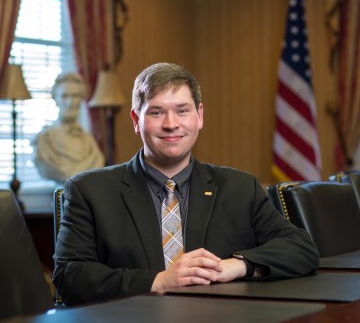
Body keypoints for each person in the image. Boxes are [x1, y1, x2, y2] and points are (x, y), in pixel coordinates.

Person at [53, 62, 319, 306]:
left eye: (182, 111)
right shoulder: (88, 191)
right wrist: (159, 281)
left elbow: (301, 249)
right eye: (156, 112)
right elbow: (70, 276)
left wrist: (236, 265)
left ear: (199, 116)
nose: (171, 124)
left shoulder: (241, 187)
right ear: (136, 120)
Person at [33, 73, 105, 184]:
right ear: (55, 99)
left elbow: (98, 163)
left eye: (75, 96)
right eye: (65, 96)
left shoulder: (89, 140)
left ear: (81, 99)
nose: (70, 102)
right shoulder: (44, 140)